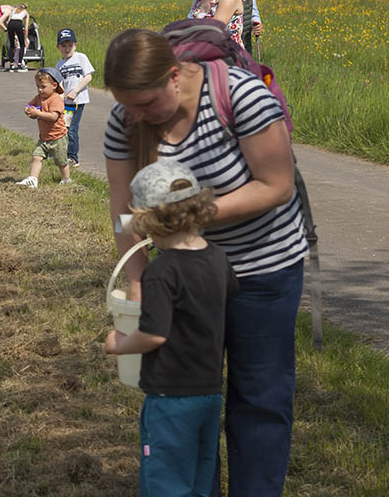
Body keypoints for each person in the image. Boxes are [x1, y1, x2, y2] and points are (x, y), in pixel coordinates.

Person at [102, 28, 308, 497]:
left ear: (175, 76)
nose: (135, 117)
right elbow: (123, 212)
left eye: (147, 104)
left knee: (259, 397)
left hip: (263, 268)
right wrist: (137, 281)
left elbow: (276, 185)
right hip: (183, 280)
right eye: (127, 105)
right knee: (184, 399)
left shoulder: (241, 97)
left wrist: (186, 214)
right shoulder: (125, 119)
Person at [104, 159, 239, 497]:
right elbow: (230, 295)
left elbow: (154, 334)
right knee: (199, 474)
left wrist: (119, 343)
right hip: (208, 392)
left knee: (165, 479)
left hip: (169, 398)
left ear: (149, 221)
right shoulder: (218, 259)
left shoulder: (162, 272)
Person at [17, 67, 71, 188]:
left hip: (58, 138)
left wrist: (38, 114)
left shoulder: (56, 99)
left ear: (54, 85)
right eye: (38, 86)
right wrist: (28, 109)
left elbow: (53, 117)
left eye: (43, 87)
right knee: (36, 156)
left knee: (61, 162)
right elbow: (29, 105)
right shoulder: (39, 98)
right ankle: (33, 179)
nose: (40, 90)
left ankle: (66, 179)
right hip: (44, 138)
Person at [54, 28, 94, 168]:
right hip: (67, 102)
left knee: (71, 129)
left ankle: (73, 158)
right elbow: (59, 84)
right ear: (58, 47)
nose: (67, 48)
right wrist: (60, 95)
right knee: (65, 127)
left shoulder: (81, 58)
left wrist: (75, 91)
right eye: (63, 45)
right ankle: (65, 154)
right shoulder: (59, 65)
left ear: (75, 45)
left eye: (70, 45)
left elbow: (88, 76)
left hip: (78, 101)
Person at [6, 3, 30, 71]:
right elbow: (26, 27)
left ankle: (11, 65)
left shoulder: (13, 10)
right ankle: (19, 64)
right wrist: (25, 38)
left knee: (12, 45)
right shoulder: (26, 12)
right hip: (18, 23)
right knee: (22, 45)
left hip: (11, 23)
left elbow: (8, 21)